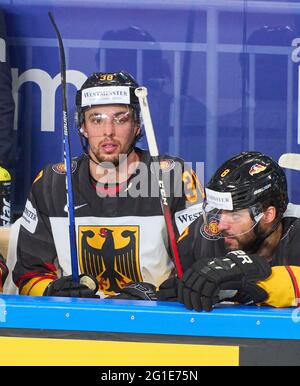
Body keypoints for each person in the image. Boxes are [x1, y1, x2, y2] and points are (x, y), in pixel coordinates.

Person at [12, 71, 202, 298]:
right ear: (82, 126)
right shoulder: (52, 182)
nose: (108, 131)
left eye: (120, 118)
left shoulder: (176, 177)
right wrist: (53, 290)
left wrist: (160, 295)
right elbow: (28, 275)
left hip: (156, 322)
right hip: (76, 324)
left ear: (137, 125)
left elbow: (201, 271)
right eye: (97, 119)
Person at [158, 151, 300, 310]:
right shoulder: (199, 238)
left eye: (234, 215)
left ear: (268, 214)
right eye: (219, 211)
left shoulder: (296, 234)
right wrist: (151, 295)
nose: (220, 225)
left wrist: (243, 280)